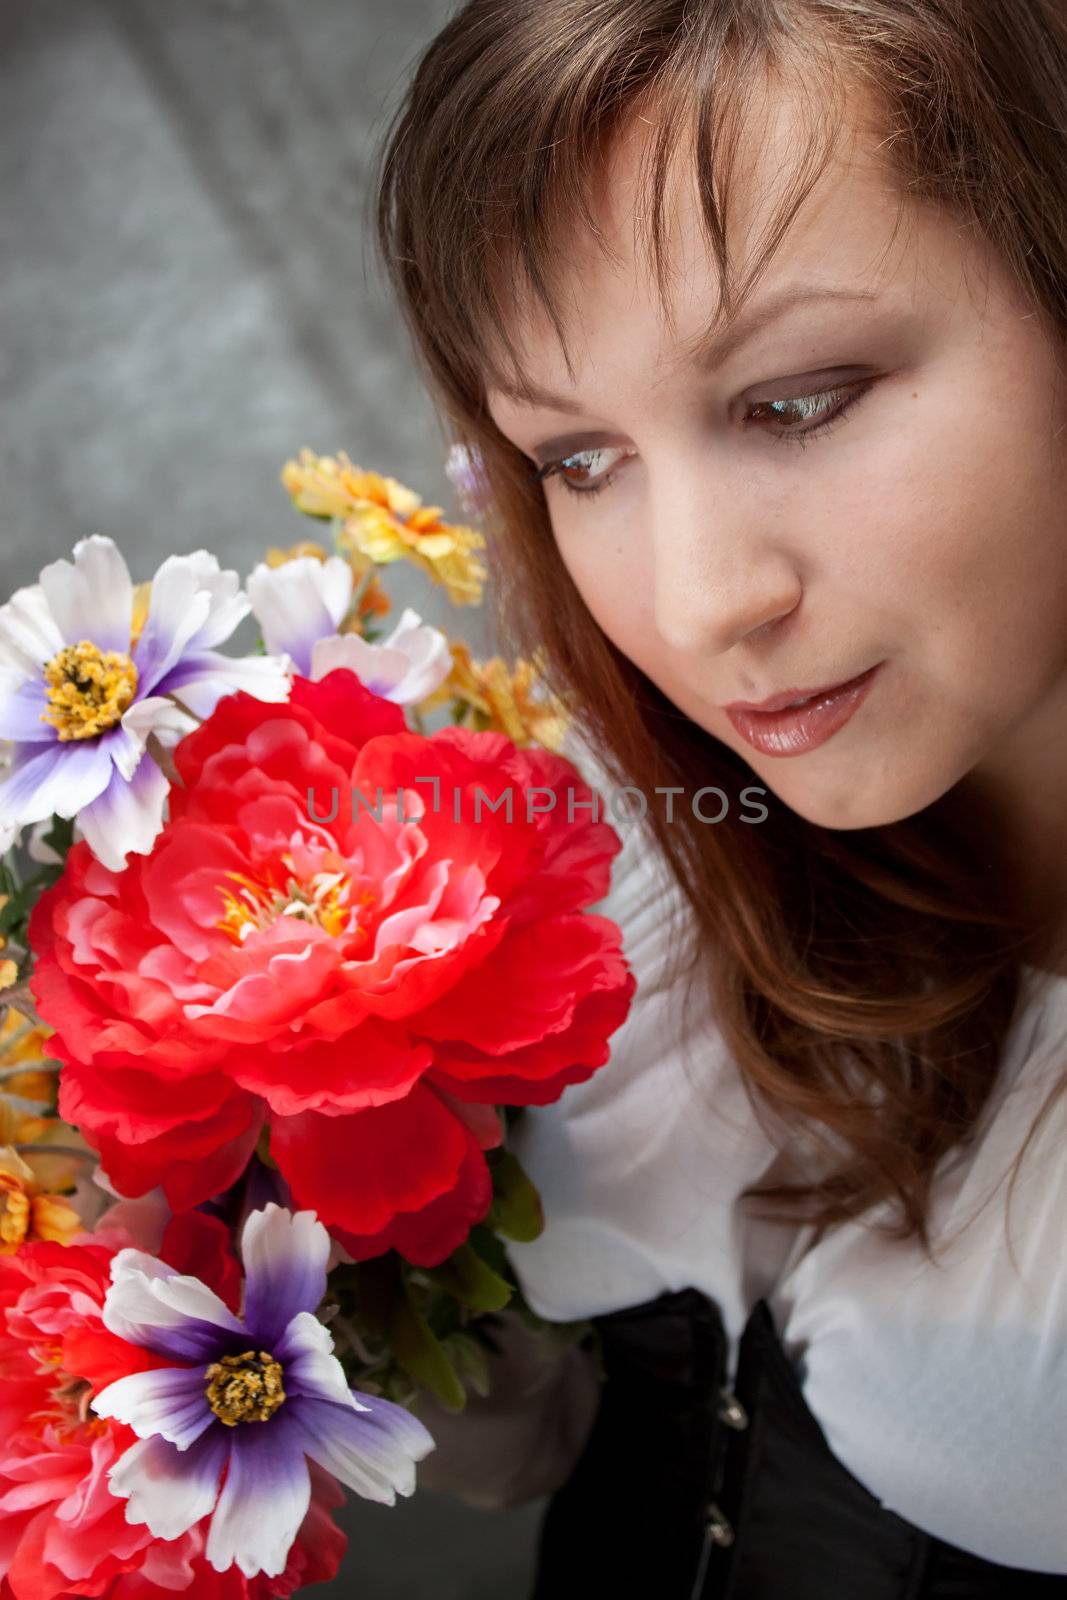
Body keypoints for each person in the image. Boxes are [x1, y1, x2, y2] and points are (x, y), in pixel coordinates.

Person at [372, 1, 1067, 1593]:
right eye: (579, 460)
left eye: (799, 400)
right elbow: (537, 1441)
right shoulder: (597, 845)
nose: (697, 606)